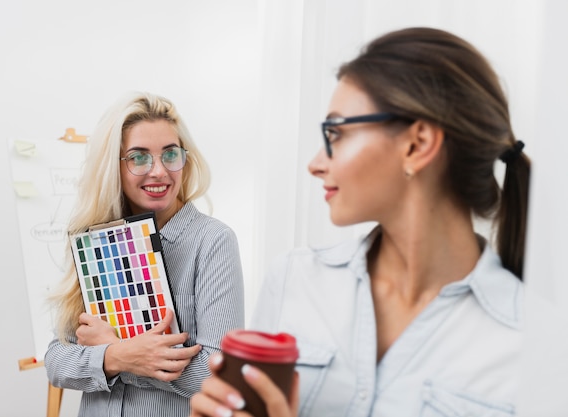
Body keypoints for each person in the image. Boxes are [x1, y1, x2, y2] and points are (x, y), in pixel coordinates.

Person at [190, 27, 530, 417]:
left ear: (417, 145)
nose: (316, 163)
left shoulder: (532, 342)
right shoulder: (294, 280)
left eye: (335, 132)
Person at [44, 91, 245, 417]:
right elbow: (56, 361)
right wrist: (118, 356)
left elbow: (217, 371)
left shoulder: (213, 242)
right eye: (138, 157)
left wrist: (118, 355)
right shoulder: (94, 241)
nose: (159, 172)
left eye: (170, 154)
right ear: (114, 167)